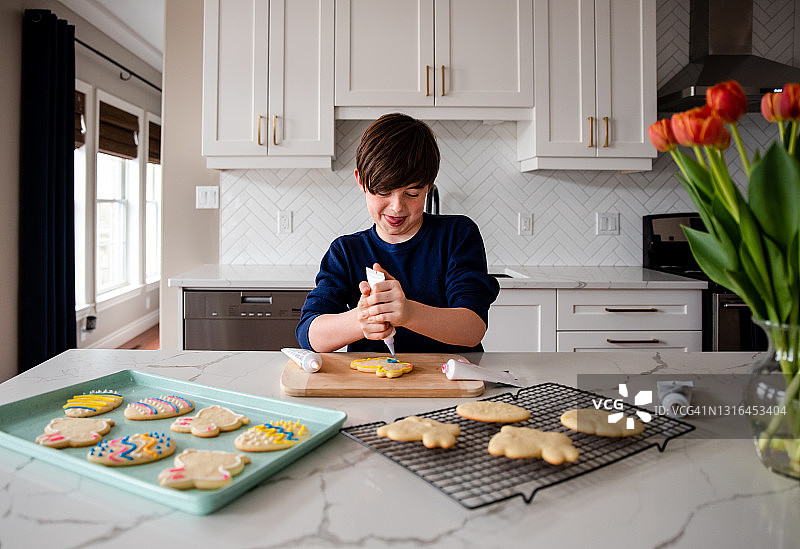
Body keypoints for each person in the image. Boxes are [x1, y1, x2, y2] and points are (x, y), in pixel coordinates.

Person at [296, 113, 499, 354]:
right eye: (384, 192)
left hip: (449, 376)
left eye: (412, 194)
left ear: (429, 186)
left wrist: (408, 312)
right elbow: (309, 334)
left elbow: (473, 328)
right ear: (361, 181)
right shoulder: (346, 251)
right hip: (373, 377)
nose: (397, 207)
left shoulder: (457, 235)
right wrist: (362, 319)